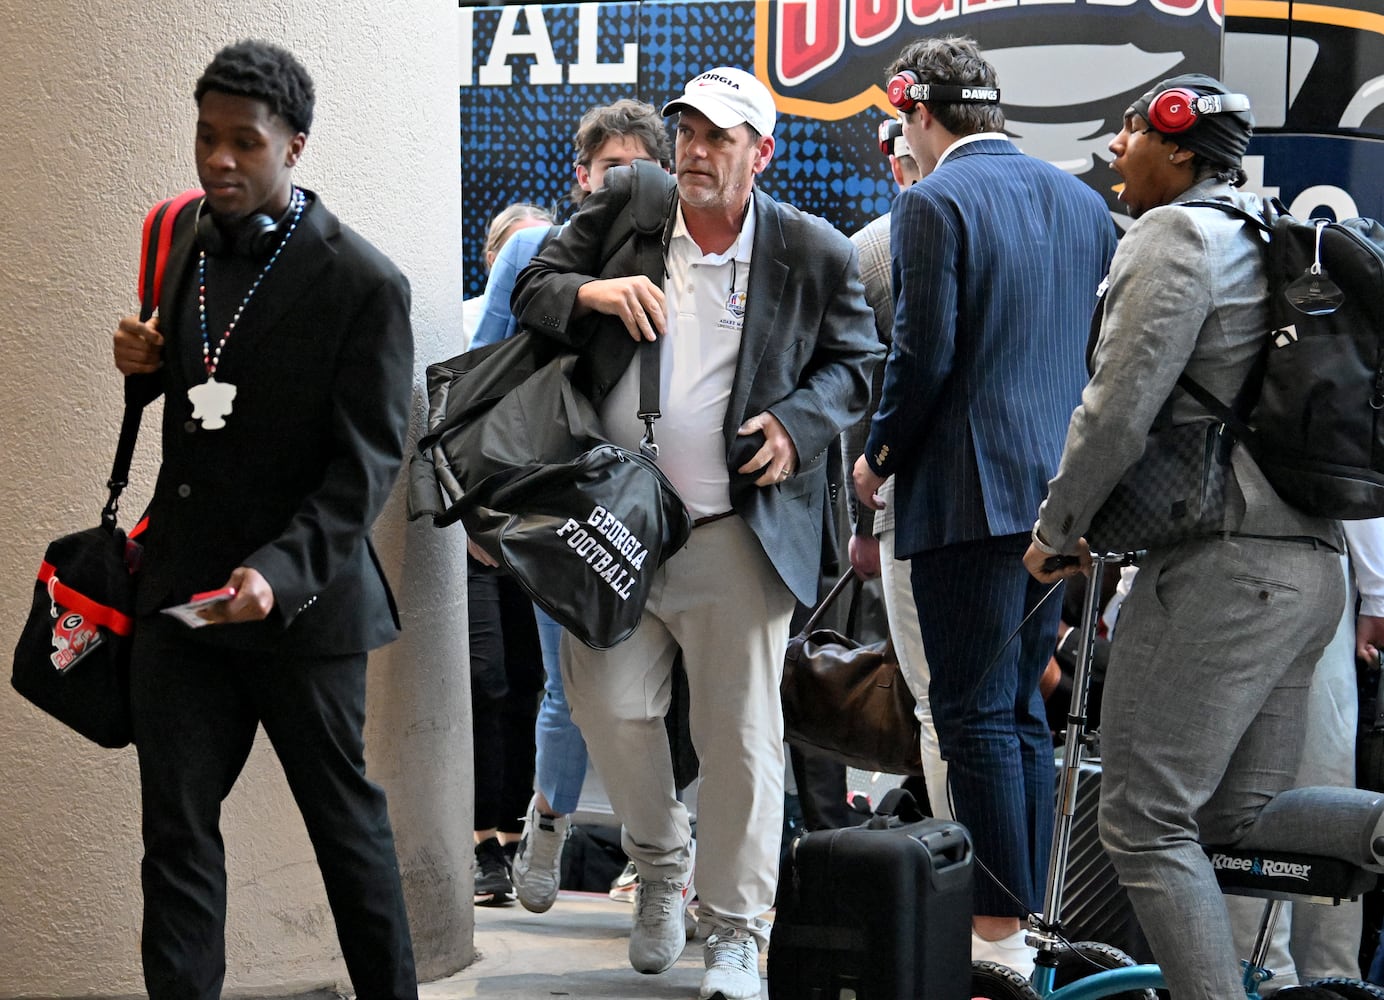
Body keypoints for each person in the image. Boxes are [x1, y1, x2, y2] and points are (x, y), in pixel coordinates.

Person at [513, 66, 879, 1000]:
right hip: (622, 521)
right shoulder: (633, 205)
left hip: (737, 530)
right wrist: (594, 297)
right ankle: (660, 857)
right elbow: (536, 286)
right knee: (608, 704)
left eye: (720, 137)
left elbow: (857, 364)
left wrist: (800, 427)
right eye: (688, 132)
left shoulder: (811, 249)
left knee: (741, 739)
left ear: (764, 151)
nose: (697, 151)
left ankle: (735, 933)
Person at [1023, 74, 1351, 1000]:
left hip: (1221, 568)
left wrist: (1058, 529)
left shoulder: (1174, 236)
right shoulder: (1270, 236)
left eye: (1126, 131)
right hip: (1305, 571)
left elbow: (1114, 413)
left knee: (1142, 822)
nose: (1112, 151)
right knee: (1242, 824)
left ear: (1178, 146)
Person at [110, 40, 417, 998]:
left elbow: (365, 463)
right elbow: (202, 397)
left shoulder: (364, 282)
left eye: (245, 142)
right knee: (177, 843)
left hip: (301, 610)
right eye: (207, 138)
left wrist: (277, 575)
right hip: (183, 605)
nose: (220, 161)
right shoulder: (179, 239)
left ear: (296, 147)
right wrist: (142, 371)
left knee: (347, 838)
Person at [851, 35, 1117, 975]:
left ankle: (1000, 940)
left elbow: (921, 357)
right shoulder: (1086, 203)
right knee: (1020, 715)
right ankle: (1032, 928)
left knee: (971, 717)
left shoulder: (933, 202)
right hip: (1059, 501)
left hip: (967, 498)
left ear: (918, 114)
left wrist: (877, 459)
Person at [467, 99, 673, 916]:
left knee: (663, 693)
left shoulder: (683, 247)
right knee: (567, 684)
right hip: (562, 510)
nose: (619, 183)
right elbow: (480, 374)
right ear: (580, 174)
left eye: (636, 169)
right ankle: (547, 822)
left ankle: (657, 858)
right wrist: (482, 510)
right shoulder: (530, 248)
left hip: (661, 507)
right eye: (604, 168)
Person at [843, 116, 950, 820]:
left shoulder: (878, 249)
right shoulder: (1041, 217)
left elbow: (869, 392)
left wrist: (863, 509)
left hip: (917, 505)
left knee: (941, 707)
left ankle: (973, 902)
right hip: (1023, 505)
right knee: (995, 714)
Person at [461, 202, 553, 349]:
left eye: (546, 251)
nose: (535, 264)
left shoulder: (564, 318)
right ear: (493, 260)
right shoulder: (463, 321)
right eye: (520, 253)